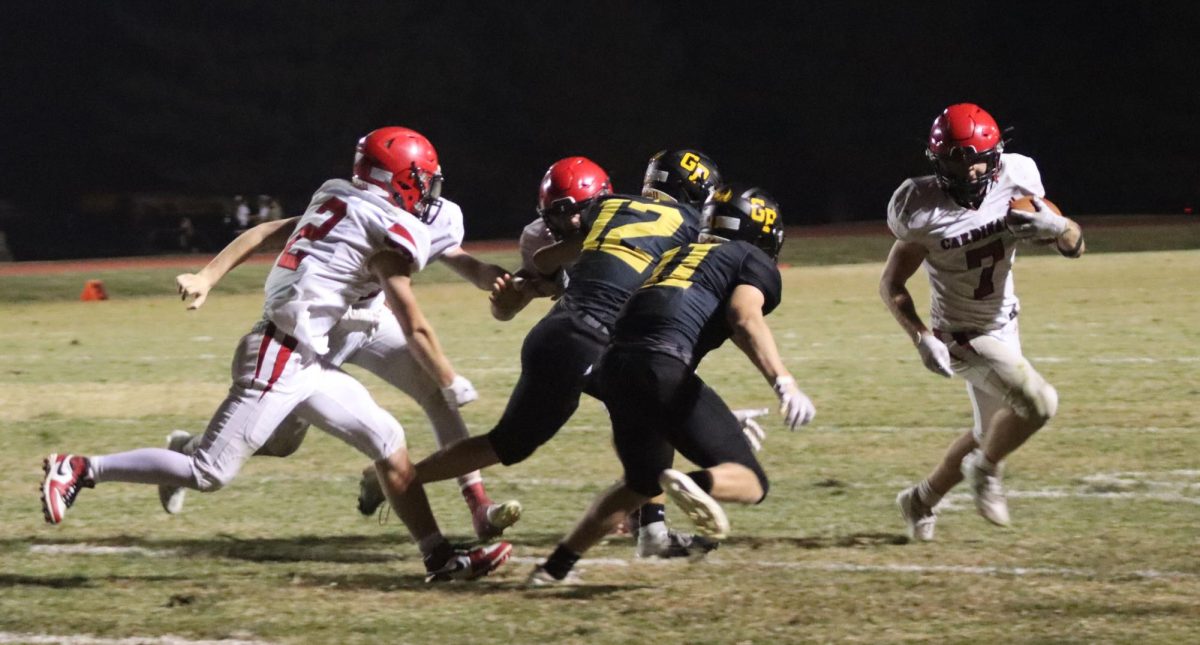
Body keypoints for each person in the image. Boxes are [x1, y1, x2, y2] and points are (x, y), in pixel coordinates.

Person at [40, 126, 513, 582]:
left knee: (388, 439)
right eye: (421, 181)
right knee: (208, 471)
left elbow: (275, 232)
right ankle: (80, 468)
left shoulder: (337, 197)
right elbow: (411, 318)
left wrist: (208, 276)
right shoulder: (382, 224)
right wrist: (450, 379)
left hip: (308, 355)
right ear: (398, 180)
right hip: (280, 353)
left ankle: (439, 557)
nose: (428, 191)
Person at [168, 130, 521, 542]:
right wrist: (207, 275)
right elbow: (270, 231)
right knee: (281, 442)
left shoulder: (434, 212)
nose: (432, 189)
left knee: (434, 391)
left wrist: (499, 280)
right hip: (322, 329)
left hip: (371, 319)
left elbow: (463, 261)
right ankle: (189, 449)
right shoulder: (355, 207)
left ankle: (478, 504)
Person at [412, 150, 721, 557]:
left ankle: (651, 528)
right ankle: (402, 480)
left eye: (576, 212)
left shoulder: (624, 221)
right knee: (518, 441)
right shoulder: (543, 237)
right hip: (579, 336)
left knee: (644, 417)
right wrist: (509, 298)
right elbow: (510, 305)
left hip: (608, 335)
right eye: (557, 215)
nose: (568, 223)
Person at [529, 186, 815, 584]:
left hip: (612, 366)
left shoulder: (673, 255)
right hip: (658, 366)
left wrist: (714, 415)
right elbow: (743, 316)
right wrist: (784, 382)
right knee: (751, 482)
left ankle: (552, 569)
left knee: (641, 482)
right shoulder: (748, 257)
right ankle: (690, 484)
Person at [882, 104, 1086, 541]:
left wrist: (1059, 225)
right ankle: (987, 471)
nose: (969, 170)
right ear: (938, 161)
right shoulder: (920, 205)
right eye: (956, 159)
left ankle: (919, 500)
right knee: (1039, 403)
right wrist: (921, 337)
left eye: (976, 157)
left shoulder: (1018, 176)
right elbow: (892, 283)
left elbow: (1075, 247)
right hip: (960, 335)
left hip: (1005, 321)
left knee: (987, 431)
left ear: (995, 154)